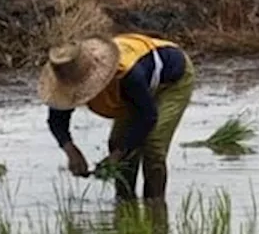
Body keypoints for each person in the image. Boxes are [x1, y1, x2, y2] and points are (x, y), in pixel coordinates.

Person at [39, 33, 196, 201]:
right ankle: (125, 201)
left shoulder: (126, 75)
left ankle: (155, 206)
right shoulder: (66, 77)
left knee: (153, 146)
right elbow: (57, 120)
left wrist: (117, 155)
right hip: (136, 91)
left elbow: (147, 116)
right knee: (117, 141)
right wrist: (71, 151)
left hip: (172, 80)